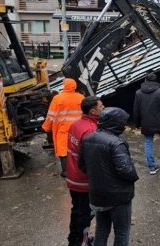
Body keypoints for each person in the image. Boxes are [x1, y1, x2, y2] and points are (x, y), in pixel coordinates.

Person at [79, 107, 139, 246]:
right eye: (122, 122)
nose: (124, 126)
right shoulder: (117, 143)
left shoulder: (87, 140)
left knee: (102, 229)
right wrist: (134, 176)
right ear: (115, 123)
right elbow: (126, 170)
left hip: (97, 194)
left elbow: (82, 165)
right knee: (122, 233)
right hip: (119, 197)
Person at [66, 96, 104, 246]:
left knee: (76, 211)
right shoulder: (91, 131)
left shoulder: (76, 125)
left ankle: (73, 239)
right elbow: (93, 161)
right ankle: (80, 241)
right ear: (93, 111)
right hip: (84, 181)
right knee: (85, 214)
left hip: (73, 177)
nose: (104, 108)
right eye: (101, 106)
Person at [42, 78, 85, 177]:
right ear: (75, 86)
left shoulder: (57, 98)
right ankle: (80, 168)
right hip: (78, 127)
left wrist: (46, 127)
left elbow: (51, 115)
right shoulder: (81, 97)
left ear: (64, 86)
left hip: (63, 128)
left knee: (63, 148)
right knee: (78, 146)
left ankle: (65, 171)